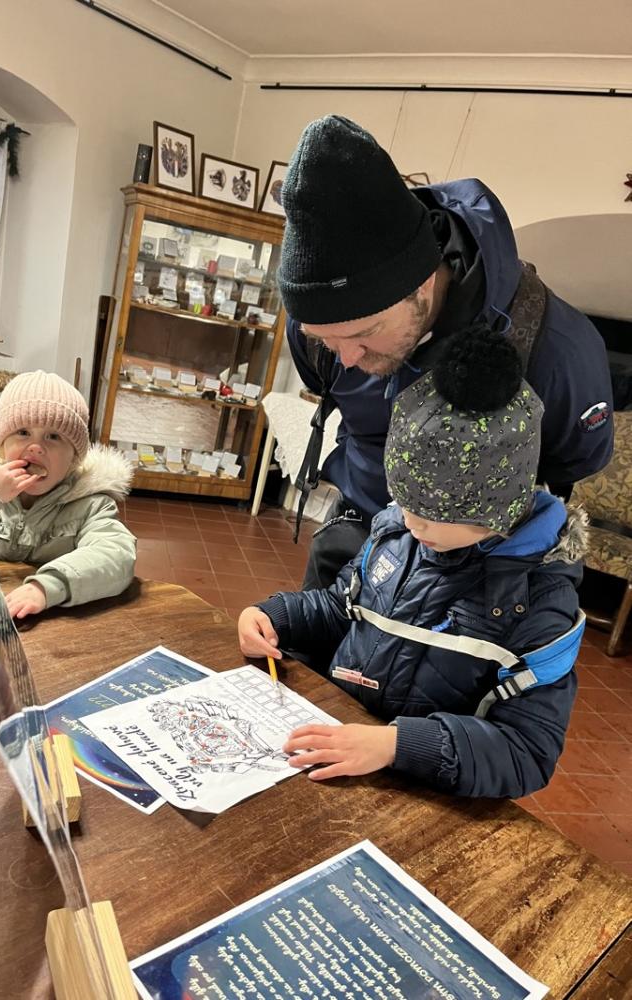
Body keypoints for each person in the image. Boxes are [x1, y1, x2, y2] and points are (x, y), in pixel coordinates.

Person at [238, 327, 587, 799]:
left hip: (424, 794)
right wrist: (274, 615)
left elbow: (526, 752)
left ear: (496, 508)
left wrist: (397, 745)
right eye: (403, 500)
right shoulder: (396, 533)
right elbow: (342, 608)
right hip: (344, 754)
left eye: (431, 511)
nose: (409, 520)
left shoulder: (540, 601)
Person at [278, 115, 613, 588]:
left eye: (365, 333)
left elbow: (568, 466)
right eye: (324, 340)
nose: (346, 359)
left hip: (475, 584)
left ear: (423, 283)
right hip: (354, 546)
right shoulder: (318, 332)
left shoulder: (560, 352)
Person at [0, 370, 136, 618]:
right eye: (23, 433)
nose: (36, 448)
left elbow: (117, 555)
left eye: (53, 436)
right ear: (1, 445)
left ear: (74, 458)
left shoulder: (91, 505)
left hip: (50, 621)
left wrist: (47, 587)